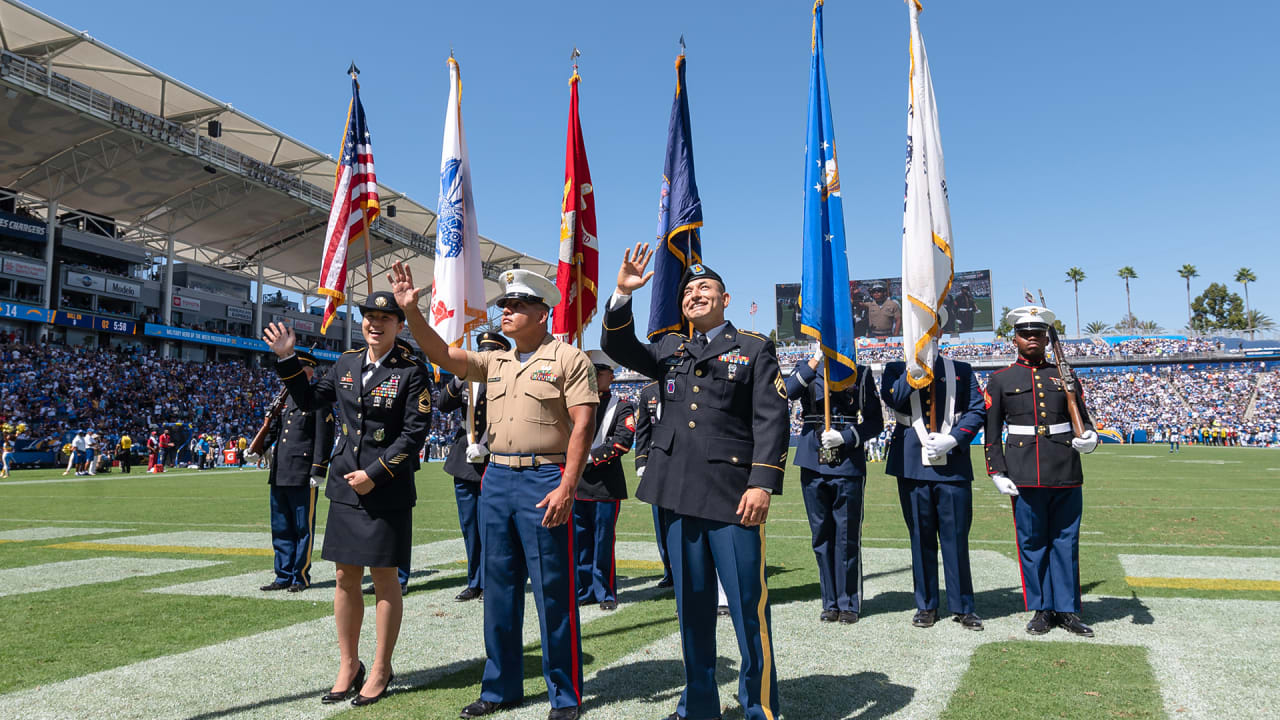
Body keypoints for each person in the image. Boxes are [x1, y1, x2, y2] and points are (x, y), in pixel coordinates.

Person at [389, 262, 596, 720]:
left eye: (518, 305)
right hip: (497, 480)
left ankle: (565, 695)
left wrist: (568, 485)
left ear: (542, 313)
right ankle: (501, 688)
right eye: (505, 304)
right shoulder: (494, 360)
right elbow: (443, 355)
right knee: (499, 589)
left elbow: (583, 423)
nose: (506, 311)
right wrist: (412, 313)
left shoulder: (568, 358)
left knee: (553, 592)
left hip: (545, 480)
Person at [601, 245, 789, 720]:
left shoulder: (753, 348)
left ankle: (758, 706)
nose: (694, 294)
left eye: (704, 287)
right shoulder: (668, 348)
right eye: (687, 290)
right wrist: (623, 294)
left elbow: (772, 419)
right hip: (677, 495)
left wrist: (762, 484)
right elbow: (619, 348)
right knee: (692, 608)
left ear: (725, 299)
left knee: (748, 608)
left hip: (733, 497)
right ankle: (699, 705)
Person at [263, 290, 432, 707]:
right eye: (369, 316)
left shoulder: (412, 370)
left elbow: (415, 434)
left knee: (385, 579)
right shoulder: (345, 362)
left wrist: (376, 474)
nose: (375, 324)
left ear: (399, 325)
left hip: (385, 487)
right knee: (344, 577)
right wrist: (287, 358)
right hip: (344, 485)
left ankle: (380, 668)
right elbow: (308, 401)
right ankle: (348, 663)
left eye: (385, 318)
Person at [984, 306, 1099, 638]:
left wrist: (1089, 437)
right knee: (1032, 543)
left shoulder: (1064, 376)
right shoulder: (1001, 379)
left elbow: (1084, 418)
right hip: (1024, 472)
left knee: (1066, 540)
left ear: (1047, 338)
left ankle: (1067, 609)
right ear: (1015, 339)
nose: (1032, 339)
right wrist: (997, 471)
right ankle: (1041, 609)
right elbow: (992, 432)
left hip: (1065, 467)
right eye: (1025, 334)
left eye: (1038, 334)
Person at [880, 345, 986, 631]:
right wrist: (915, 369)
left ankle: (963, 606)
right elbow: (897, 399)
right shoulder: (894, 369)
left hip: (953, 466)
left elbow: (977, 409)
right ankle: (926, 604)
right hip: (912, 464)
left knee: (956, 539)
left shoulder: (961, 369)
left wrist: (954, 439)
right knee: (920, 538)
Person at [785, 351, 884, 624]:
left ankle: (848, 601)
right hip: (811, 458)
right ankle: (829, 601)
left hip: (847, 461)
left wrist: (847, 436)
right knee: (821, 536)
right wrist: (815, 361)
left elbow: (876, 421)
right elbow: (786, 392)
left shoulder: (859, 372)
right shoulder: (805, 368)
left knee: (846, 536)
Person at [433, 330, 512, 602]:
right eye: (482, 352)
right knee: (470, 528)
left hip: (495, 460)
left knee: (492, 527)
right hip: (465, 463)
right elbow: (442, 405)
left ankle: (493, 583)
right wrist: (457, 377)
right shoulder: (466, 381)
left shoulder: (507, 380)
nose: (485, 357)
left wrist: (488, 445)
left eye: (491, 352)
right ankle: (474, 581)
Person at [260, 351, 334, 594]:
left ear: (308, 374)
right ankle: (282, 575)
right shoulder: (284, 400)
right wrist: (257, 449)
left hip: (303, 473)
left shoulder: (317, 399)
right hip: (280, 471)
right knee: (281, 527)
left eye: (297, 372)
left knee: (303, 528)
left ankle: (299, 576)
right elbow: (274, 431)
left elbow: (324, 437)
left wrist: (318, 468)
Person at [574, 350, 636, 611]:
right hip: (577, 484)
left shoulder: (622, 406)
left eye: (597, 374)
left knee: (602, 541)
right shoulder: (576, 404)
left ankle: (605, 591)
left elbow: (622, 441)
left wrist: (588, 457)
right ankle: (584, 589)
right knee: (580, 541)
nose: (592, 378)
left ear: (610, 376)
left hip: (605, 484)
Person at [634, 380, 674, 588]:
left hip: (679, 462)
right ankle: (669, 570)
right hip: (655, 465)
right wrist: (641, 460)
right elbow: (643, 430)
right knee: (660, 523)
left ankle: (682, 568)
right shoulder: (648, 391)